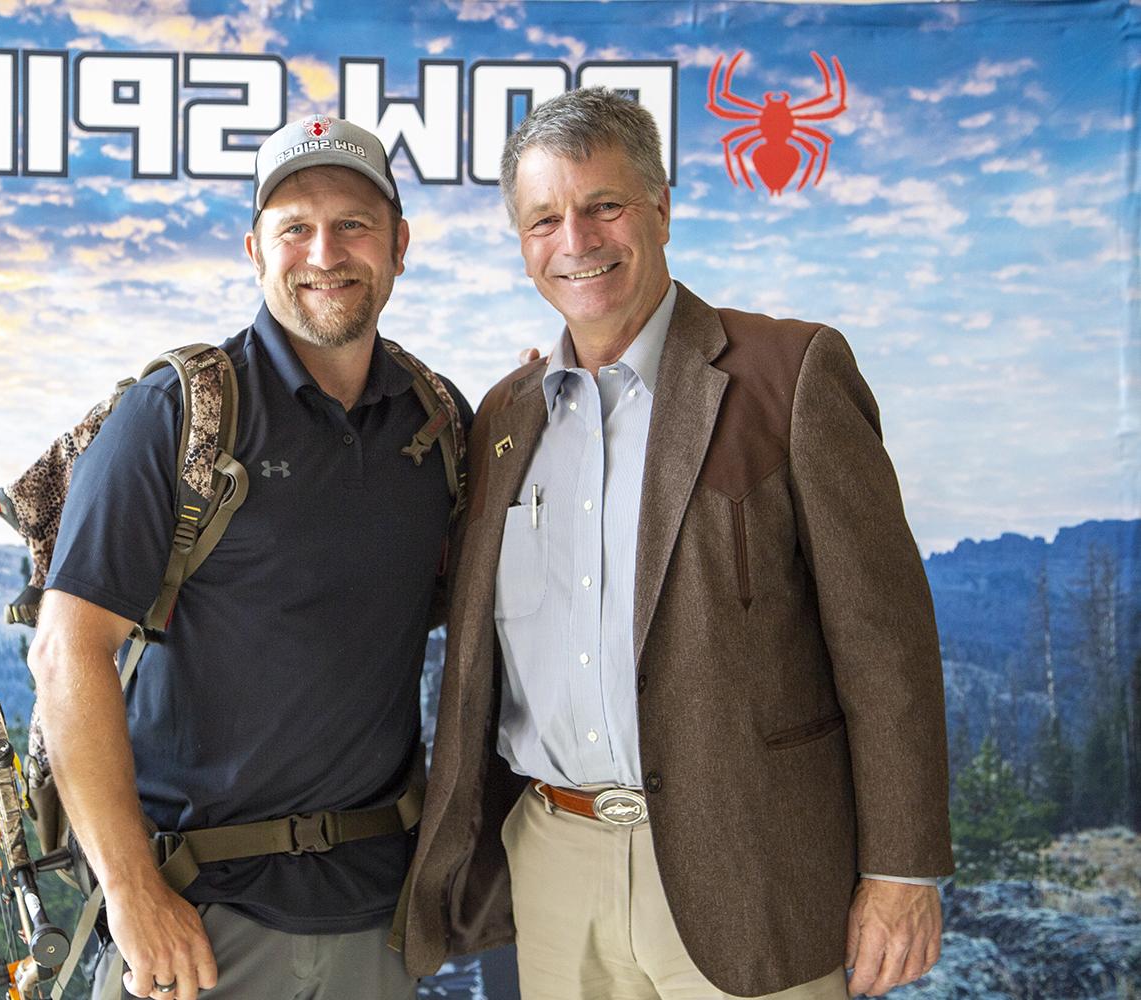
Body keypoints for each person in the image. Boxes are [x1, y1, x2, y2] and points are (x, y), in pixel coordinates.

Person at [401, 88, 952, 1000]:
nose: (575, 239)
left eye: (604, 205)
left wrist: (902, 870)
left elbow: (884, 640)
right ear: (522, 241)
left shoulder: (791, 375)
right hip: (553, 863)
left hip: (754, 866)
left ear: (660, 207)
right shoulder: (504, 417)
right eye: (544, 218)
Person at [26, 115, 470, 1000]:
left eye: (353, 224)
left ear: (399, 244)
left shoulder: (439, 422)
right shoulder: (176, 416)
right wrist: (130, 893)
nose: (324, 251)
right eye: (294, 227)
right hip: (197, 922)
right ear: (254, 248)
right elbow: (65, 651)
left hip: (375, 923)